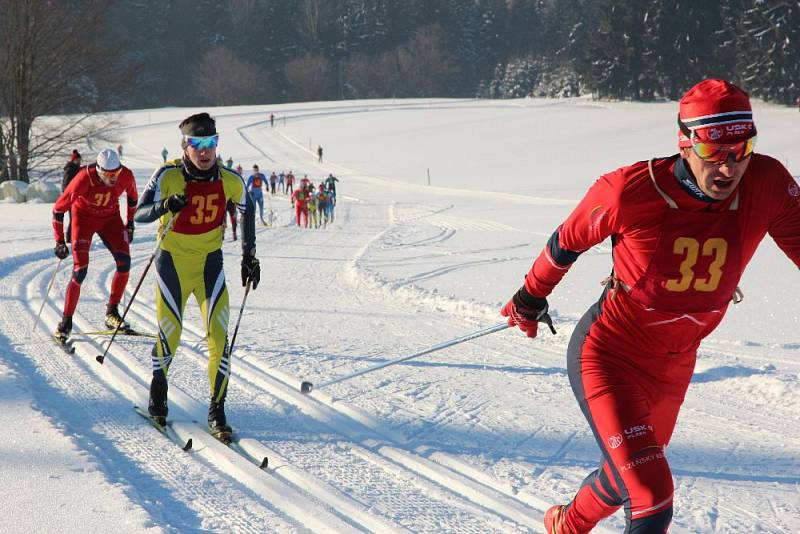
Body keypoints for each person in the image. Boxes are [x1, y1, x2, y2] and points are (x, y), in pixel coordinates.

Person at [500, 79, 800, 533]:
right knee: (652, 493)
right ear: (687, 143)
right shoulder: (629, 191)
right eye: (715, 152)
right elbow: (565, 242)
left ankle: (568, 525)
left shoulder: (768, 183)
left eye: (744, 148)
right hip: (607, 356)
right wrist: (530, 297)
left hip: (674, 365)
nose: (730, 166)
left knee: (625, 477)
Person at [134, 112, 260, 440]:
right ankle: (158, 395)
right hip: (172, 264)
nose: (205, 151)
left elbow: (247, 210)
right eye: (197, 144)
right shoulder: (168, 174)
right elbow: (139, 214)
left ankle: (217, 410)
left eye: (211, 143)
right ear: (185, 146)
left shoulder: (229, 179)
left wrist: (249, 256)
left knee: (219, 339)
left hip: (209, 265)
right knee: (170, 335)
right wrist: (165, 205)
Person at [52, 148, 138, 345]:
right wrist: (58, 241)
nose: (113, 178)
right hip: (83, 219)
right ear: (99, 171)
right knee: (80, 269)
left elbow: (133, 197)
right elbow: (58, 210)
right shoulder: (84, 179)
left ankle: (112, 312)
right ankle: (66, 322)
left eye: (115, 173)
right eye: (108, 174)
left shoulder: (126, 175)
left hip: (110, 219)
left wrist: (130, 223)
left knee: (124, 263)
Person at [61, 149, 83, 243]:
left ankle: (74, 237)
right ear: (73, 160)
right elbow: (65, 185)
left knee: (77, 218)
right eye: (77, 160)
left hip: (77, 198)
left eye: (79, 160)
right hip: (72, 198)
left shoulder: (77, 168)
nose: (78, 162)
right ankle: (70, 238)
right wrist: (70, 194)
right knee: (73, 218)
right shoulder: (70, 169)